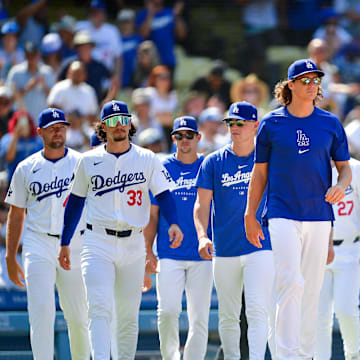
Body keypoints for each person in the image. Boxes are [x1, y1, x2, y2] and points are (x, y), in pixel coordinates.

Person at [57, 100, 183, 359]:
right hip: (97, 241)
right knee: (99, 307)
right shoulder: (88, 160)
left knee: (127, 313)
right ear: (103, 127)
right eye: (113, 121)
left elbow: (165, 196)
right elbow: (75, 203)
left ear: (130, 124)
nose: (119, 126)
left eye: (123, 120)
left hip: (133, 242)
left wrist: (175, 224)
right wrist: (64, 241)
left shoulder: (146, 158)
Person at [244, 59, 352, 360]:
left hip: (320, 215)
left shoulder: (330, 123)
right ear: (289, 85)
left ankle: (305, 355)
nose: (311, 84)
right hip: (281, 212)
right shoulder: (270, 123)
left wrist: (341, 187)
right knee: (291, 282)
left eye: (315, 79)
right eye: (304, 79)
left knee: (312, 289)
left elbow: (344, 170)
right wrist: (249, 214)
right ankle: (287, 356)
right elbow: (259, 174)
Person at [4, 108, 90, 359]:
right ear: (39, 132)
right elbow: (16, 214)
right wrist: (11, 257)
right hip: (38, 242)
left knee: (78, 316)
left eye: (61, 126)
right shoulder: (26, 167)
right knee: (40, 313)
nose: (58, 131)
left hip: (74, 243)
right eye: (52, 127)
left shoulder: (81, 162)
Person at [194, 101, 274, 359]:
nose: (235, 127)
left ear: (255, 126)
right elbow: (201, 204)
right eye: (231, 123)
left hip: (261, 246)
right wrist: (202, 235)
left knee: (256, 310)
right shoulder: (213, 161)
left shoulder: (269, 161)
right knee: (228, 314)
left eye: (241, 123)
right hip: (225, 248)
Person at [144, 116, 213, 360]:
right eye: (178, 136)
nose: (184, 140)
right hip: (169, 252)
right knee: (168, 311)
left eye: (189, 135)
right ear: (173, 139)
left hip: (202, 253)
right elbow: (152, 215)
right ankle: (170, 357)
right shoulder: (161, 167)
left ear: (198, 137)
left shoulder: (208, 165)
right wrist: (148, 251)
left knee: (199, 318)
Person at [315, 158, 360, 360]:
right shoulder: (313, 165)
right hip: (317, 249)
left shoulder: (355, 168)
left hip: (351, 248)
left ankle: (353, 355)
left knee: (346, 310)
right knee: (319, 315)